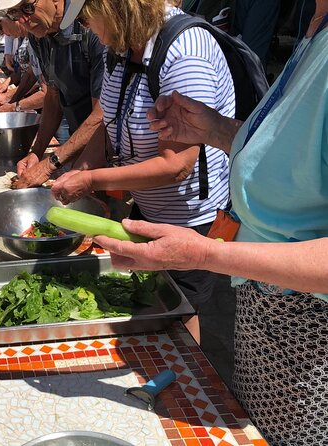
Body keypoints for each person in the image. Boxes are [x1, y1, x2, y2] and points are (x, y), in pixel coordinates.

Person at [93, 2, 328, 442]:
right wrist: (216, 130)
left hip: (312, 333)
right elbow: (294, 163)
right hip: (265, 309)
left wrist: (206, 254)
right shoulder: (316, 25)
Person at [50, 0, 234, 343]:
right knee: (153, 303)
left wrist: (91, 180)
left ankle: (186, 388)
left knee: (179, 310)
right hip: (150, 208)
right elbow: (106, 123)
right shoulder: (120, 48)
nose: (87, 27)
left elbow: (176, 166)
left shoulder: (184, 51)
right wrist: (84, 170)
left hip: (193, 219)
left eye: (88, 17)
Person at [0, 0, 106, 189]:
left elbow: (100, 116)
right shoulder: (40, 35)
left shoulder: (91, 27)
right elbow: (53, 95)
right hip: (78, 142)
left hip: (106, 152)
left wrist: (51, 163)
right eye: (13, 13)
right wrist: (37, 152)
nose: (22, 20)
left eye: (27, 8)